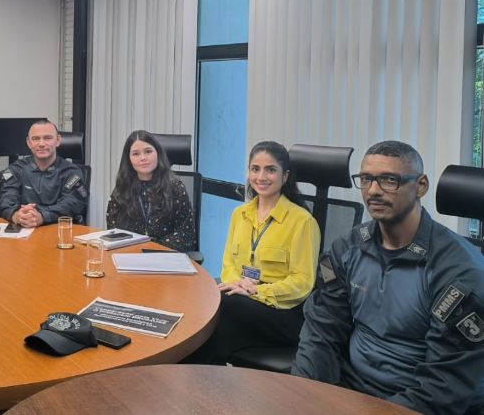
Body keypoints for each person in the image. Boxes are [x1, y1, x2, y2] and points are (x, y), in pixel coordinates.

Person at [293, 140, 484, 415]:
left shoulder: (459, 272)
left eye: (389, 180)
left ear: (421, 186)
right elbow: (321, 331)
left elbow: (441, 389)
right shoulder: (347, 248)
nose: (373, 191)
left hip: (414, 403)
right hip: (353, 389)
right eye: (367, 179)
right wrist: (300, 396)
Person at [191, 141, 320, 364]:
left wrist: (256, 292)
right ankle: (204, 387)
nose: (261, 176)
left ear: (285, 176)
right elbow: (229, 264)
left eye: (270, 170)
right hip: (243, 303)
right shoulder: (239, 214)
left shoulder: (302, 221)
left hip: (282, 312)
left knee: (224, 305)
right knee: (214, 332)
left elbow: (302, 283)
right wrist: (237, 284)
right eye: (255, 169)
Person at [105, 130, 196, 251]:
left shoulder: (176, 189)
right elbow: (112, 230)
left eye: (148, 151)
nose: (143, 158)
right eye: (136, 154)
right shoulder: (122, 190)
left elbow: (187, 234)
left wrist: (152, 249)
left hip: (166, 258)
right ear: (129, 159)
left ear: (158, 153)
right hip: (129, 257)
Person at [0, 119, 89, 227]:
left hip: (59, 231)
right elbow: (6, 199)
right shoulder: (16, 169)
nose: (41, 144)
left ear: (58, 140)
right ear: (28, 142)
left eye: (48, 138)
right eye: (35, 139)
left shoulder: (71, 173)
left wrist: (42, 216)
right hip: (24, 231)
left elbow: (71, 204)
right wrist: (16, 215)